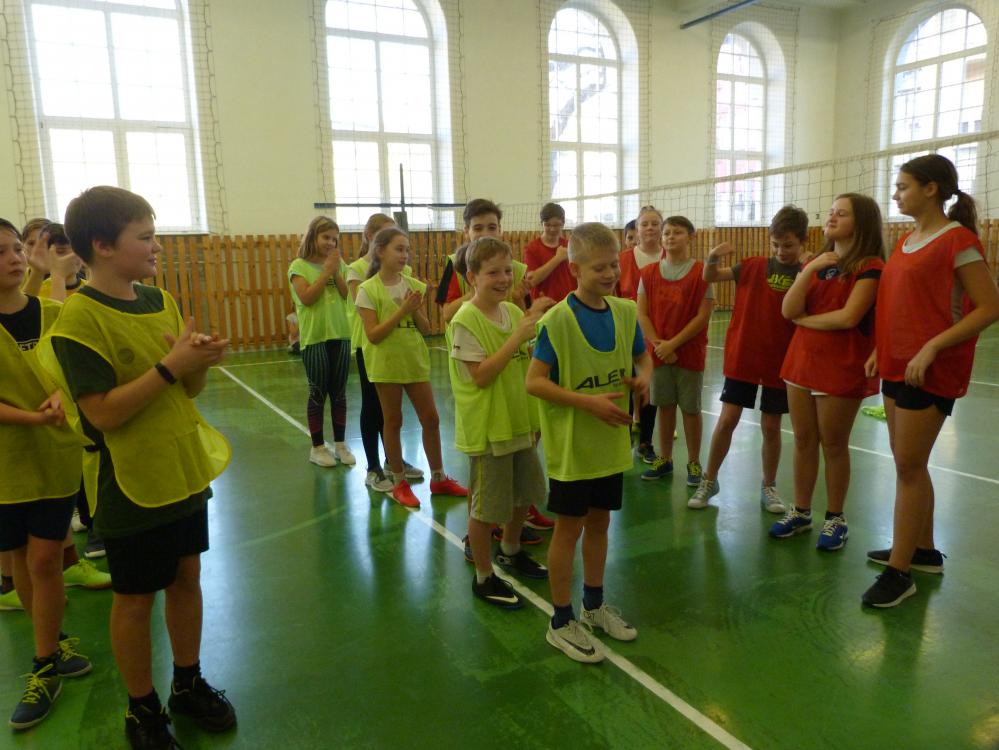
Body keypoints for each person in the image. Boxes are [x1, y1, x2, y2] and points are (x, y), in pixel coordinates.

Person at [41, 186, 236, 749]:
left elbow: (187, 389)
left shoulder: (159, 301)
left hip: (180, 468)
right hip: (128, 483)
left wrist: (198, 362)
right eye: (145, 237)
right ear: (102, 245)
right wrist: (172, 366)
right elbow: (102, 414)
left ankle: (187, 682)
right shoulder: (79, 320)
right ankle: (142, 707)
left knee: (187, 576)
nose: (157, 246)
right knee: (135, 598)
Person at [862, 155, 999, 607]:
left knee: (908, 466)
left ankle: (899, 574)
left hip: (929, 369)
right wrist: (881, 348)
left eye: (903, 186)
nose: (896, 194)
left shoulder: (958, 240)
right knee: (910, 464)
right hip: (897, 363)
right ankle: (922, 550)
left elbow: (990, 306)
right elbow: (901, 303)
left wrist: (933, 346)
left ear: (931, 189)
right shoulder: (906, 241)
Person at [526, 222, 651, 663]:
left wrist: (644, 378)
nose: (611, 273)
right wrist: (588, 403)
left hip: (609, 445)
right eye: (599, 267)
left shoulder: (624, 312)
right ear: (575, 269)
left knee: (600, 524)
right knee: (569, 529)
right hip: (573, 449)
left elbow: (643, 356)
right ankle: (561, 621)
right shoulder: (558, 321)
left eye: (614, 264)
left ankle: (593, 605)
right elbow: (534, 382)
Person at [0, 217, 92, 730]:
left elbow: (72, 370)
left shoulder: (55, 313)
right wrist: (33, 417)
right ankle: (51, 642)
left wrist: (63, 391)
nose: (14, 258)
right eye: (1, 252)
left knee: (43, 559)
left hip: (55, 457)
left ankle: (42, 666)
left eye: (16, 248)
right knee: (20, 559)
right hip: (7, 464)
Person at [773, 193, 885, 551]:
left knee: (834, 444)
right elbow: (788, 310)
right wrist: (809, 269)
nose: (832, 217)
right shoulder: (817, 262)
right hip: (801, 362)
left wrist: (805, 321)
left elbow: (848, 317)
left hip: (841, 365)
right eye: (831, 211)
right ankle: (801, 511)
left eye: (842, 213)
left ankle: (836, 517)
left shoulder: (870, 267)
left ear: (861, 222)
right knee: (803, 439)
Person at [448, 237, 553, 607]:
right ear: (472, 277)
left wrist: (534, 325)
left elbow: (525, 356)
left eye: (508, 271)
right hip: (490, 429)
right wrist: (518, 335)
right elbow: (481, 376)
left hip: (518, 421)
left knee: (523, 495)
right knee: (486, 509)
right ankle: (483, 576)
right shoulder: (465, 320)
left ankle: (510, 550)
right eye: (493, 272)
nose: (504, 278)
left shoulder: (510, 311)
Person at [689, 205, 809, 512]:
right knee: (728, 419)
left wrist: (811, 266)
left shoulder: (806, 273)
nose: (781, 251)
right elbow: (710, 276)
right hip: (743, 356)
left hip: (780, 361)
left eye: (788, 245)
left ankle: (769, 485)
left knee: (771, 426)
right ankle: (709, 479)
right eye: (776, 244)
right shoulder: (753, 266)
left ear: (803, 242)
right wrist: (712, 257)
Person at [355, 227, 468, 507]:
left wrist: (414, 309)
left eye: (407, 250)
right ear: (380, 251)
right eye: (399, 249)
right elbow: (373, 335)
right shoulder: (367, 290)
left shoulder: (412, 284)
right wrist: (402, 311)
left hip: (414, 360)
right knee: (393, 421)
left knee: (431, 419)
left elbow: (427, 328)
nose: (405, 255)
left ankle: (438, 478)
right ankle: (399, 483)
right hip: (386, 364)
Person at [345, 213, 423, 493]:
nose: (400, 250)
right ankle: (373, 467)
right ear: (372, 238)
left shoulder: (404, 271)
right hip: (370, 344)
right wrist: (401, 308)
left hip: (399, 345)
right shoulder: (357, 269)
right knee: (373, 406)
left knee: (393, 413)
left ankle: (393, 461)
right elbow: (368, 306)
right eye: (388, 235)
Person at [637, 215, 714, 487]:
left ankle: (693, 462)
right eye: (667, 232)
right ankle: (665, 459)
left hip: (688, 353)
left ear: (690, 236)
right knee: (665, 406)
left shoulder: (702, 272)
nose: (670, 237)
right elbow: (642, 314)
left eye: (677, 232)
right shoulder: (648, 273)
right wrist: (660, 345)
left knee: (691, 409)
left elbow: (702, 316)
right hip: (659, 354)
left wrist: (673, 344)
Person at [288, 216, 355, 468]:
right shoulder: (298, 266)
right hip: (315, 338)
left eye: (334, 239)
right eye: (326, 237)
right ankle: (317, 448)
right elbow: (306, 298)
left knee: (339, 393)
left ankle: (340, 444)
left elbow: (348, 296)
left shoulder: (340, 265)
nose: (330, 243)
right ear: (313, 237)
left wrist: (335, 271)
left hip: (341, 334)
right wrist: (326, 272)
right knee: (317, 392)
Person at [436, 199, 531, 324]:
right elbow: (447, 314)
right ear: (466, 232)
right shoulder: (455, 264)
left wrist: (518, 299)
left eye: (492, 228)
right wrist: (477, 291)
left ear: (499, 230)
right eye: (478, 228)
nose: (486, 234)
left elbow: (525, 319)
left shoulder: (517, 270)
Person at [618, 207, 664, 463]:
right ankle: (622, 438)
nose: (649, 228)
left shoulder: (669, 257)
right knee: (625, 385)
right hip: (625, 332)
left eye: (654, 223)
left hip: (658, 334)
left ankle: (646, 441)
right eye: (644, 224)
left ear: (661, 227)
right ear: (636, 229)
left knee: (650, 389)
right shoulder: (623, 259)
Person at [524, 202, 575, 303]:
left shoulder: (570, 245)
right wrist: (557, 258)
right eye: (547, 225)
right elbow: (532, 280)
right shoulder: (532, 248)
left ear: (563, 224)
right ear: (542, 224)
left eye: (556, 225)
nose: (552, 229)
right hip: (544, 305)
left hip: (569, 303)